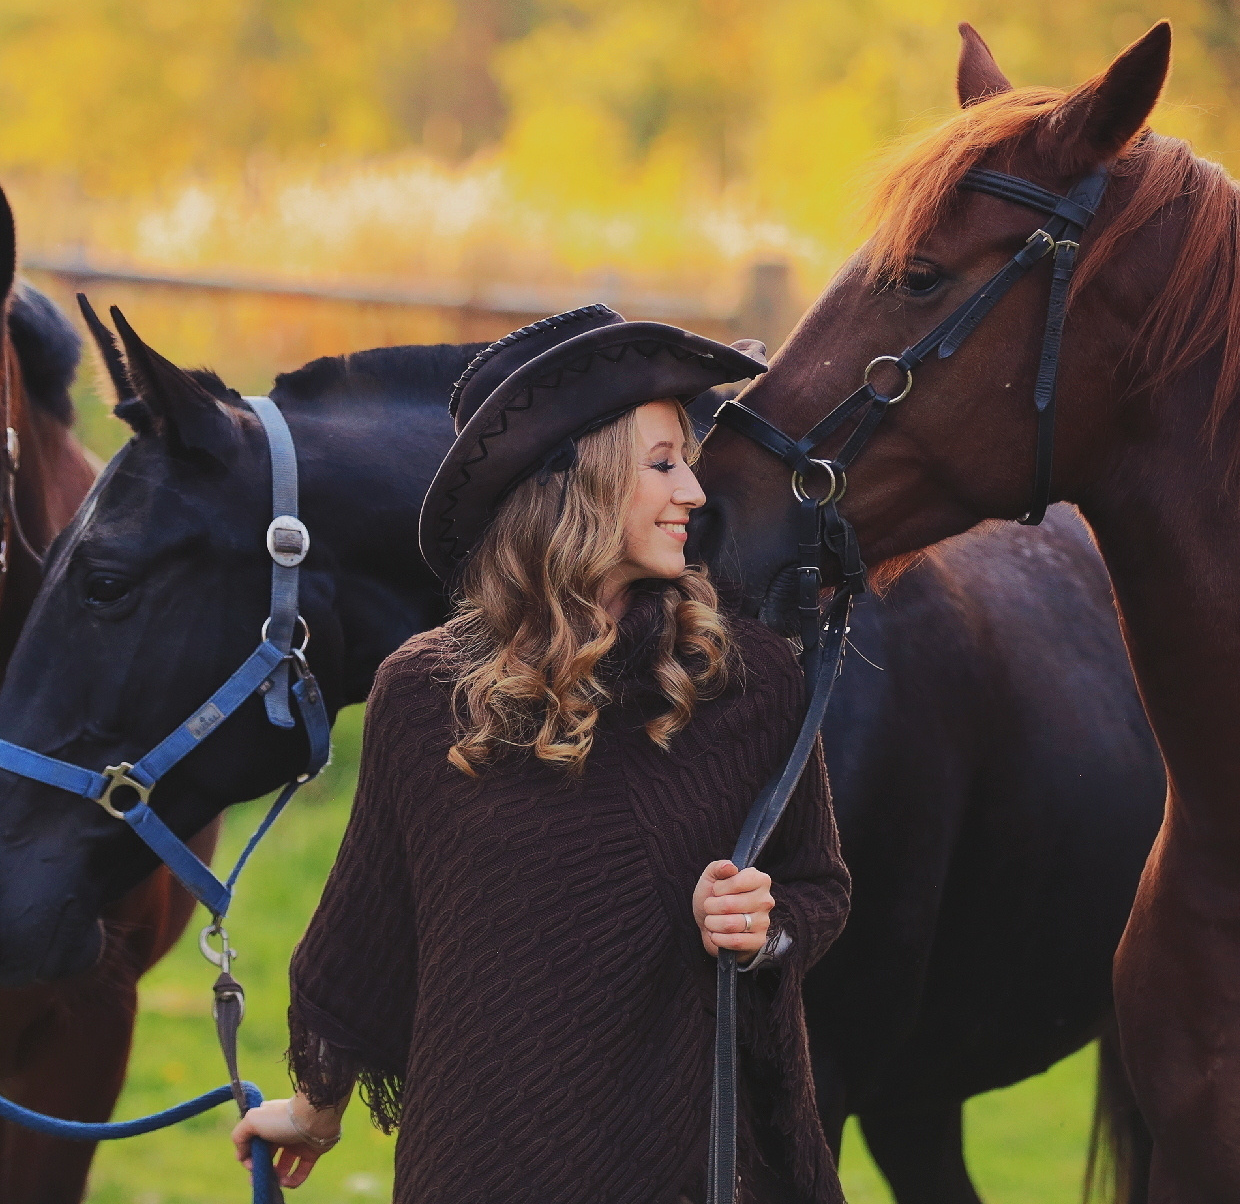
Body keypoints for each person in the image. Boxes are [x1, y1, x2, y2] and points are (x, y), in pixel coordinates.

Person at [231, 304, 851, 1203]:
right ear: (574, 479)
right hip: (480, 1161)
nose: (695, 494)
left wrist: (762, 927)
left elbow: (818, 888)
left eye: (690, 463)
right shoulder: (425, 692)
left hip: (701, 1164)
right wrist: (314, 1111)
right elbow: (377, 926)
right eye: (664, 464)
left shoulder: (747, 681)